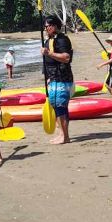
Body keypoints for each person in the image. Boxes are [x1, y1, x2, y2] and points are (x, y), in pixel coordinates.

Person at [41, 16, 74, 144]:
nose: (45, 28)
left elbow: (66, 58)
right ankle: (62, 134)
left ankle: (65, 136)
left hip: (62, 77)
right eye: (44, 26)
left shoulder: (62, 40)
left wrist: (48, 53)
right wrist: (47, 77)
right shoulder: (49, 40)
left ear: (54, 26)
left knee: (61, 107)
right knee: (56, 106)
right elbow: (47, 61)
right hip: (53, 78)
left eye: (47, 26)